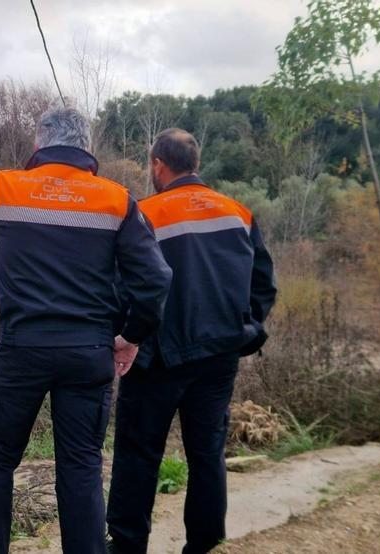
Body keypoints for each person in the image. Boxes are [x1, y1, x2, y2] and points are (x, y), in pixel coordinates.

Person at [0, 107, 173, 554]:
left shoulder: (6, 187)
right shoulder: (117, 200)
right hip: (89, 353)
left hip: (20, 352)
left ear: (39, 144)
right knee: (81, 465)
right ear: (87, 148)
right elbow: (155, 279)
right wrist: (131, 337)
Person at [106, 128, 278, 553]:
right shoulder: (237, 212)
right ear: (194, 164)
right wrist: (246, 331)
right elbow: (264, 286)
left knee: (137, 457)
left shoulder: (144, 213)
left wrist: (126, 336)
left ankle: (127, 548)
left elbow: (121, 286)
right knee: (207, 457)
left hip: (157, 360)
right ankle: (206, 546)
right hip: (219, 358)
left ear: (158, 165)